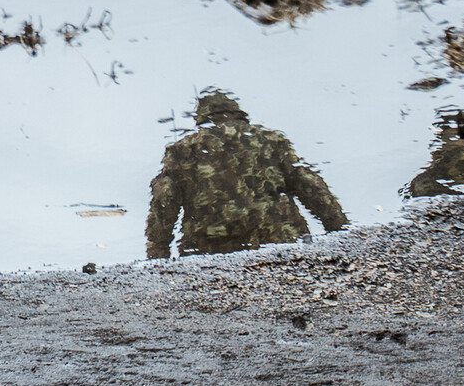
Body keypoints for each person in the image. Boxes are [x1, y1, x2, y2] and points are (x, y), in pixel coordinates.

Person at [144, 90, 348, 259]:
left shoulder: (184, 149)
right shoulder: (270, 140)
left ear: (202, 118)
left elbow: (165, 195)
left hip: (210, 248)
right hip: (281, 238)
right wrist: (341, 231)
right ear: (238, 113)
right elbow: (308, 182)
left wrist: (157, 252)